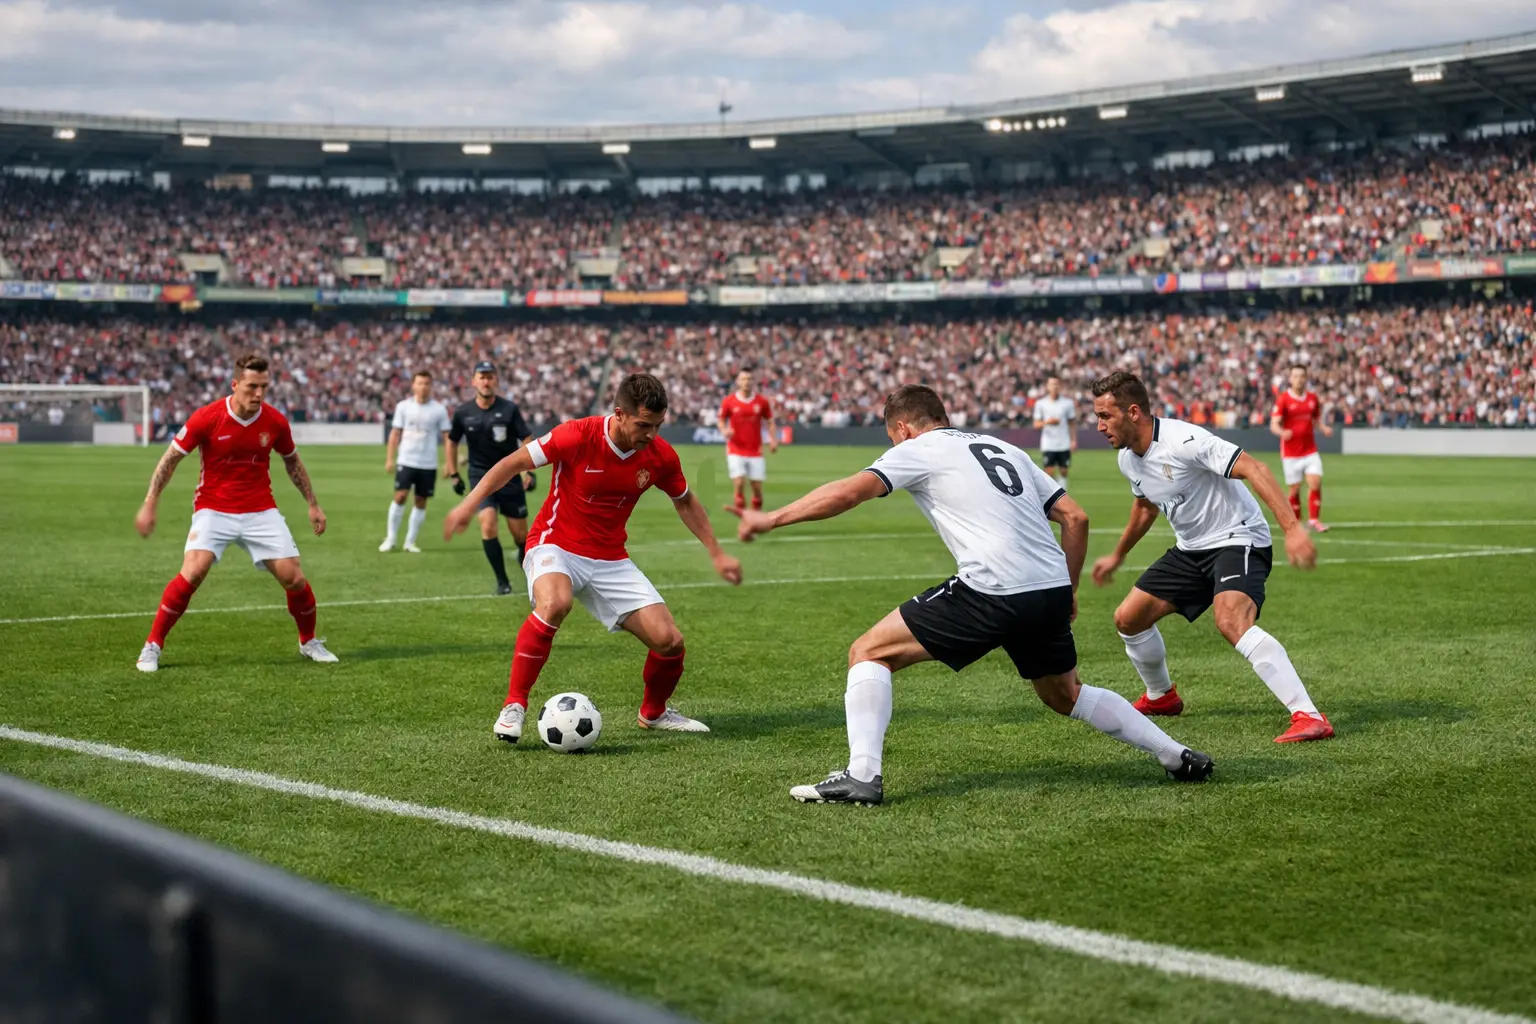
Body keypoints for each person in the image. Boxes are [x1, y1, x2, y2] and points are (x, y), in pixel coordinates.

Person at [729, 384, 1213, 806]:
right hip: (1045, 588)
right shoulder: (1005, 447)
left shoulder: (918, 448)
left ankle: (862, 776)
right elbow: (1076, 518)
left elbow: (850, 492)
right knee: (1066, 693)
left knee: (868, 652)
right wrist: (1067, 589)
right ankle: (1176, 756)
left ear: (902, 428)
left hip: (993, 588)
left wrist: (770, 519)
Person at [444, 373, 743, 742]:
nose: (651, 434)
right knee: (555, 603)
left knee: (670, 641)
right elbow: (512, 464)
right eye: (644, 425)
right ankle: (514, 705)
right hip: (555, 543)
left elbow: (684, 500)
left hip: (610, 557)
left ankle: (654, 712)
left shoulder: (661, 455)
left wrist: (716, 551)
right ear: (619, 414)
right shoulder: (578, 434)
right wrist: (467, 506)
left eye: (658, 426)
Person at [1088, 371, 1332, 743]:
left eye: (1105, 416)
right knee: (1128, 618)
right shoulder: (1128, 459)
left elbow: (1255, 468)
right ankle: (1162, 697)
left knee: (1231, 619)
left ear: (1133, 412)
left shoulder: (1183, 439)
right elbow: (1145, 508)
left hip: (1239, 537)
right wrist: (1118, 556)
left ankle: (1309, 715)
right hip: (1192, 549)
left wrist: (1293, 529)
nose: (1099, 425)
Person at [132, 353, 337, 672]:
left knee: (293, 577)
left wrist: (312, 503)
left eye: (264, 387)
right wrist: (150, 502)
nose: (259, 394)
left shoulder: (275, 421)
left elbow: (292, 461)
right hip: (213, 508)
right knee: (194, 570)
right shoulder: (207, 417)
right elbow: (171, 459)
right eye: (252, 386)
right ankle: (152, 645)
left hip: (260, 509)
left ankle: (308, 641)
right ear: (235, 384)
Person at [445, 362, 536, 595]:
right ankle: (502, 582)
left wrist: (529, 471)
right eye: (481, 377)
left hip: (510, 477)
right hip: (480, 477)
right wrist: (454, 473)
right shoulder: (463, 412)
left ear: (496, 381)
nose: (486, 381)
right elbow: (452, 441)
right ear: (473, 381)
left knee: (520, 536)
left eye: (490, 377)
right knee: (488, 525)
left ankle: (525, 562)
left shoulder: (510, 409)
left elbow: (526, 439)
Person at [381, 371, 451, 553]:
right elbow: (395, 434)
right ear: (413, 385)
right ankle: (391, 538)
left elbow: (447, 437)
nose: (423, 387)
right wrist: (390, 458)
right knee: (400, 497)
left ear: (431, 386)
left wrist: (449, 463)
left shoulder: (439, 409)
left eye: (427, 383)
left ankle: (410, 542)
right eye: (420, 383)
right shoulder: (403, 407)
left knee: (421, 501)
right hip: (406, 459)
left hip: (428, 463)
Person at [1271, 364, 1334, 533]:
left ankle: (1314, 520)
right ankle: (1297, 523)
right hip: (1291, 452)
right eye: (1295, 376)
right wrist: (1282, 432)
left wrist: (1324, 428)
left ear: (1306, 378)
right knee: (1294, 489)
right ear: (1290, 379)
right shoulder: (1284, 399)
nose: (1299, 379)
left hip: (1309, 450)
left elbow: (1315, 420)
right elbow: (1274, 424)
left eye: (1302, 376)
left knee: (1315, 482)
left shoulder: (1312, 398)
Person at [717, 369, 777, 512]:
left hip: (755, 450)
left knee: (756, 487)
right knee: (739, 482)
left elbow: (770, 421)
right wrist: (724, 430)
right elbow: (720, 420)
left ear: (753, 382)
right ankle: (743, 516)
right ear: (738, 381)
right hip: (735, 449)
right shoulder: (729, 401)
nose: (746, 382)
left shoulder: (762, 401)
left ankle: (755, 515)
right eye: (743, 379)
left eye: (749, 379)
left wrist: (773, 439)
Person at [1032, 376, 1077, 491]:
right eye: (1052, 384)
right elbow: (1036, 424)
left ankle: (1063, 494)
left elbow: (1072, 423)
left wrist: (1073, 440)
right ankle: (1052, 496)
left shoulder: (1067, 403)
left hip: (1063, 442)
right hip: (1048, 443)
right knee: (1049, 471)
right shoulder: (1041, 403)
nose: (1054, 386)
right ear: (1047, 386)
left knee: (1063, 471)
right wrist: (1048, 422)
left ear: (1060, 386)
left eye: (1056, 384)